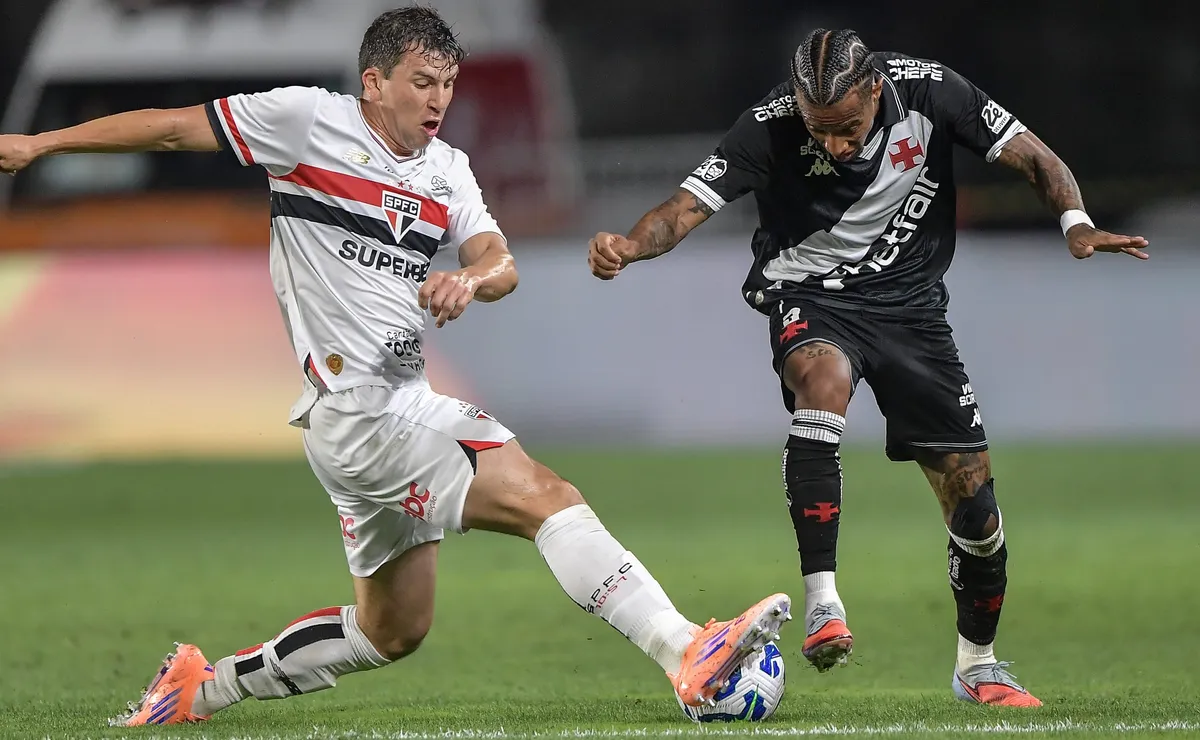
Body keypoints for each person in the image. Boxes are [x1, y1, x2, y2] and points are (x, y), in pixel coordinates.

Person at [0, 6, 792, 726]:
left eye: (448, 83)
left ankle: (200, 689)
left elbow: (499, 261)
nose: (438, 98)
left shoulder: (447, 169)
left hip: (386, 408)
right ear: (374, 81)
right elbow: (176, 128)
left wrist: (469, 279)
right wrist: (41, 143)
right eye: (422, 81)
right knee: (543, 494)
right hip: (360, 411)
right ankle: (685, 650)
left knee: (391, 630)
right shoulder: (307, 122)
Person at [587, 28, 1150, 708]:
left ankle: (979, 666)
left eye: (847, 128)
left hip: (913, 314)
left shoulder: (935, 92)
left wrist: (1075, 222)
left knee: (976, 511)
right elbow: (682, 210)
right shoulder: (768, 125)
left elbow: (1036, 157)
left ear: (875, 88)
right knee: (821, 381)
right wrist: (628, 244)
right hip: (812, 296)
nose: (833, 145)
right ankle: (823, 602)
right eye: (818, 130)